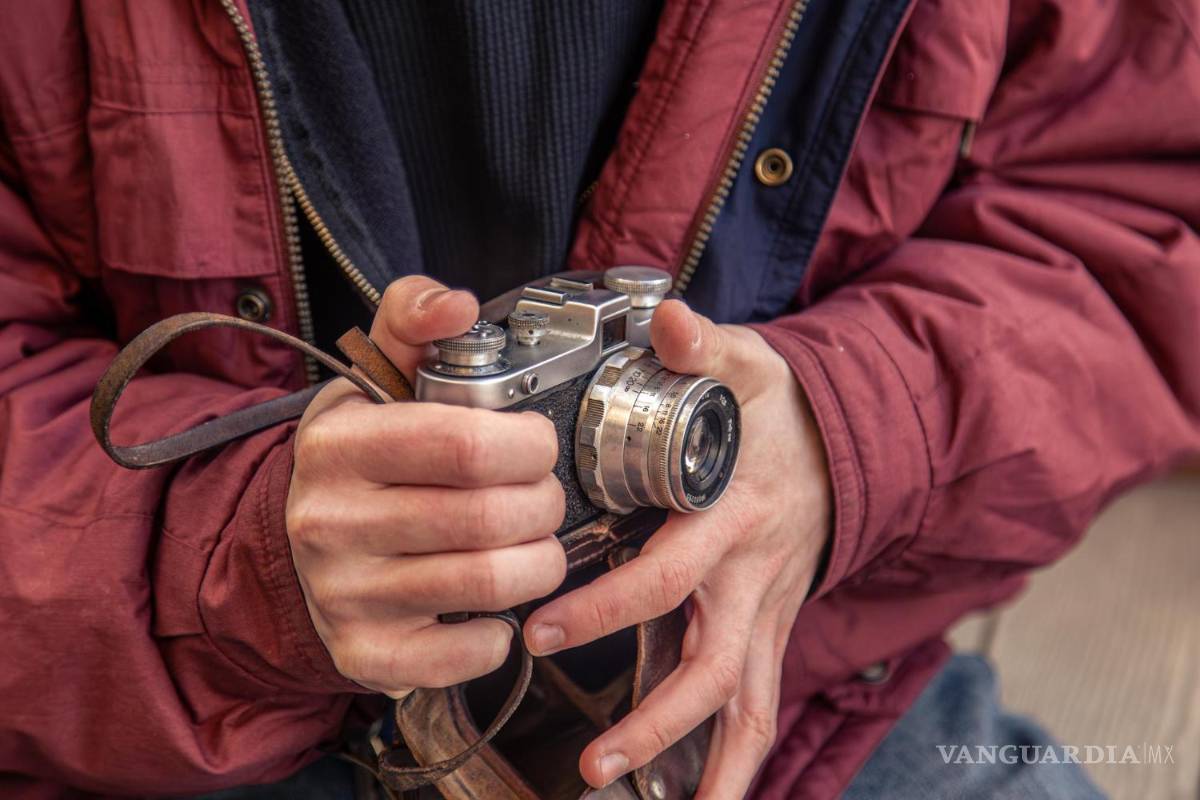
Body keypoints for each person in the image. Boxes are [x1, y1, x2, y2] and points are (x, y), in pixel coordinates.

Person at [0, 0, 1196, 798]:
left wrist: (844, 432)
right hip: (166, 720)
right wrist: (234, 561)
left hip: (791, 700)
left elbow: (1142, 197)